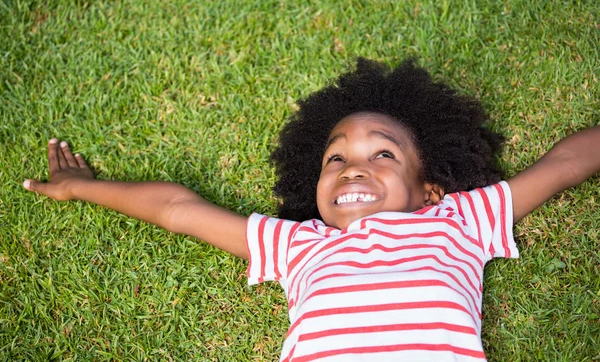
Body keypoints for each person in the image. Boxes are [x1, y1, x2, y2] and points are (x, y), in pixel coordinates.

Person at [23, 58, 600, 361]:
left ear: (429, 189)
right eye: (335, 159)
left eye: (382, 153)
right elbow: (178, 208)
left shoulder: (459, 221)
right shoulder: (301, 245)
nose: (353, 167)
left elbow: (562, 166)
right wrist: (81, 188)